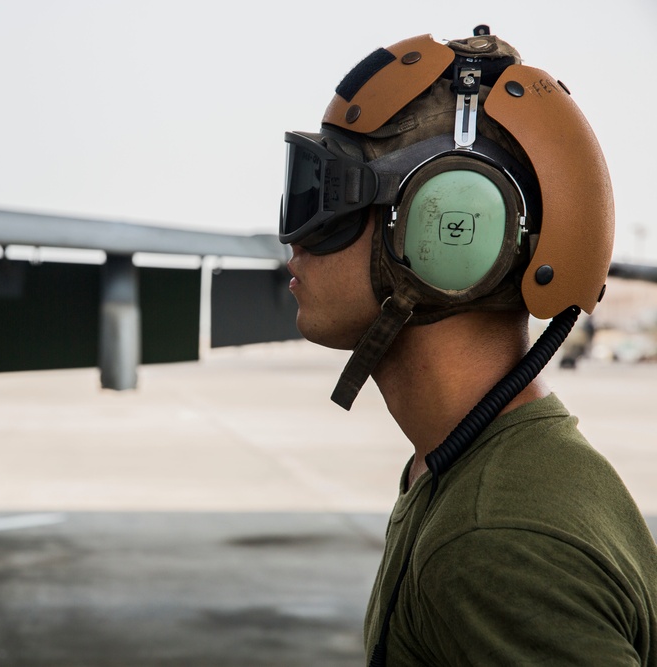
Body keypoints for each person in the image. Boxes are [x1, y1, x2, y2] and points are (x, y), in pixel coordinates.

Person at [280, 29, 657, 665]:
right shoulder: (471, 470)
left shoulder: (495, 547)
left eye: (327, 195)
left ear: (449, 230)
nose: (293, 240)